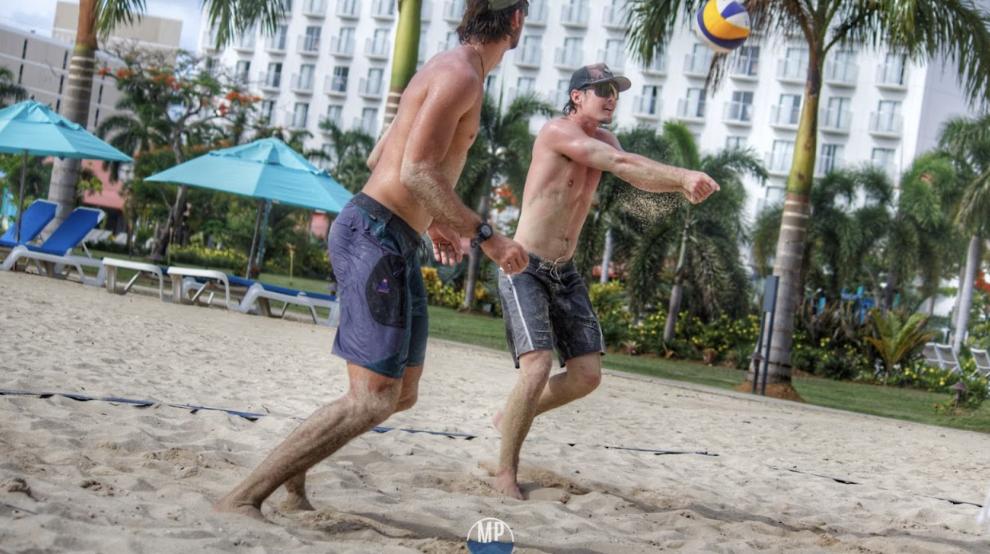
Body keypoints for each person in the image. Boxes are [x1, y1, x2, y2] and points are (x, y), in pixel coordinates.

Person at [214, 0, 530, 520]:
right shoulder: (460, 75)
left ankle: (294, 470)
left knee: (400, 393)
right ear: (516, 19)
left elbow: (380, 155)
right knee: (373, 398)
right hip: (374, 233)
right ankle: (242, 497)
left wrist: (436, 221)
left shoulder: (451, 68)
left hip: (394, 236)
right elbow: (416, 172)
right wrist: (486, 237)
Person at [491, 63, 721, 499]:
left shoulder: (607, 140)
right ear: (577, 96)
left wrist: (679, 188)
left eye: (615, 91)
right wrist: (683, 175)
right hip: (525, 267)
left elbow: (631, 172)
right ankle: (505, 473)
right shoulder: (556, 133)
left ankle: (511, 416)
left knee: (587, 376)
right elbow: (618, 162)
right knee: (537, 368)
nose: (611, 97)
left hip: (564, 272)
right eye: (602, 90)